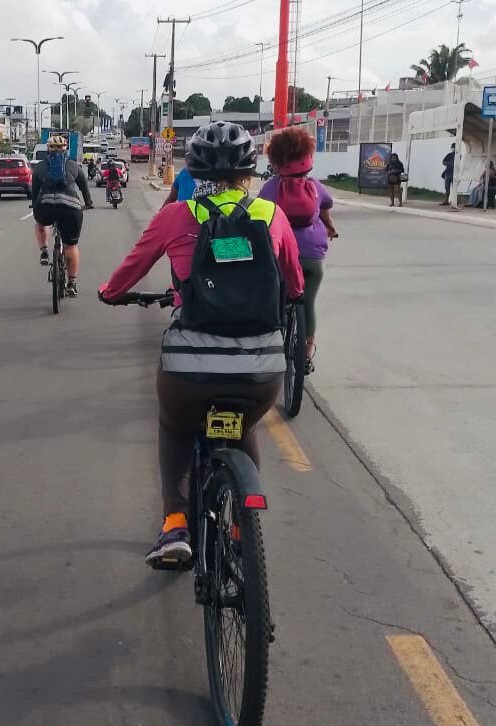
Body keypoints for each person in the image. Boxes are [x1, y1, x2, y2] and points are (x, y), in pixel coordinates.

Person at [99, 122, 304, 566]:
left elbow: (128, 272)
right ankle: (240, 525)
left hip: (190, 371)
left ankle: (175, 522)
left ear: (190, 169)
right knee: (244, 422)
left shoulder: (177, 216)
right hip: (261, 369)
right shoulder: (272, 216)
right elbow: (296, 284)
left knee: (174, 425)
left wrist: (110, 293)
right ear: (250, 172)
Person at [257, 127, 337, 375]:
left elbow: (259, 215)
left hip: (280, 256)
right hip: (313, 256)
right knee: (308, 302)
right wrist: (330, 228)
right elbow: (326, 208)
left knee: (273, 297)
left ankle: (271, 341)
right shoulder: (315, 187)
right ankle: (307, 351)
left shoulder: (270, 188)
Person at [32, 134, 94, 298]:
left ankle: (44, 251)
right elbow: (84, 188)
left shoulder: (39, 168)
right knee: (70, 246)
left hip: (46, 207)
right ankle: (71, 283)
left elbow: (35, 193)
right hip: (71, 209)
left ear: (48, 149)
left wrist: (35, 207)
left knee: (39, 222)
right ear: (66, 149)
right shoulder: (74, 166)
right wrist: (88, 203)